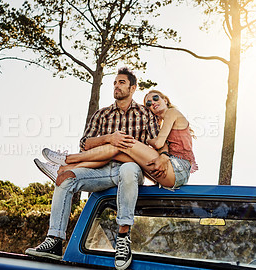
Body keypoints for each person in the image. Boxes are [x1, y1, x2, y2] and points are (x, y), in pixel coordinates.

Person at [25, 67, 162, 270]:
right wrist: (108, 138)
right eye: (115, 83)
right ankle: (54, 240)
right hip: (99, 170)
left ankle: (123, 239)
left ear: (133, 88)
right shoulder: (102, 114)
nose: (116, 86)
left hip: (130, 169)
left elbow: (154, 146)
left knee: (128, 169)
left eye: (121, 82)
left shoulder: (145, 114)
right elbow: (85, 143)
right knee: (65, 179)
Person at [40, 89, 198, 190]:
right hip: (167, 174)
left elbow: (157, 143)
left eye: (156, 98)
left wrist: (148, 141)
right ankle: (63, 170)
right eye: (148, 103)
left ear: (165, 99)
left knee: (125, 142)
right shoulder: (161, 124)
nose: (153, 103)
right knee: (115, 152)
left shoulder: (171, 113)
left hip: (177, 169)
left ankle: (66, 158)